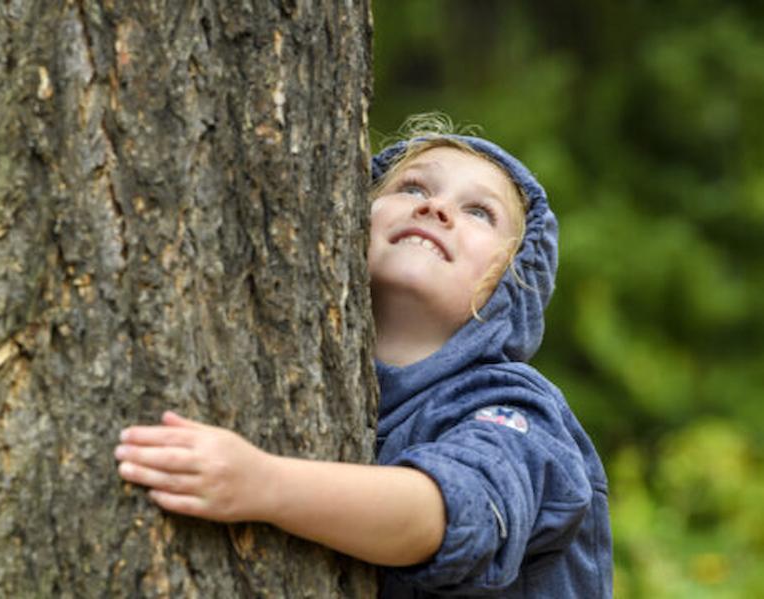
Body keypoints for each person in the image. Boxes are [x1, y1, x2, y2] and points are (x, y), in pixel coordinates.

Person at [114, 118, 613, 598]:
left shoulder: (515, 408)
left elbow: (449, 513)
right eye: (414, 188)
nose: (436, 208)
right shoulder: (307, 376)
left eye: (479, 212)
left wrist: (261, 484)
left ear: (514, 279)